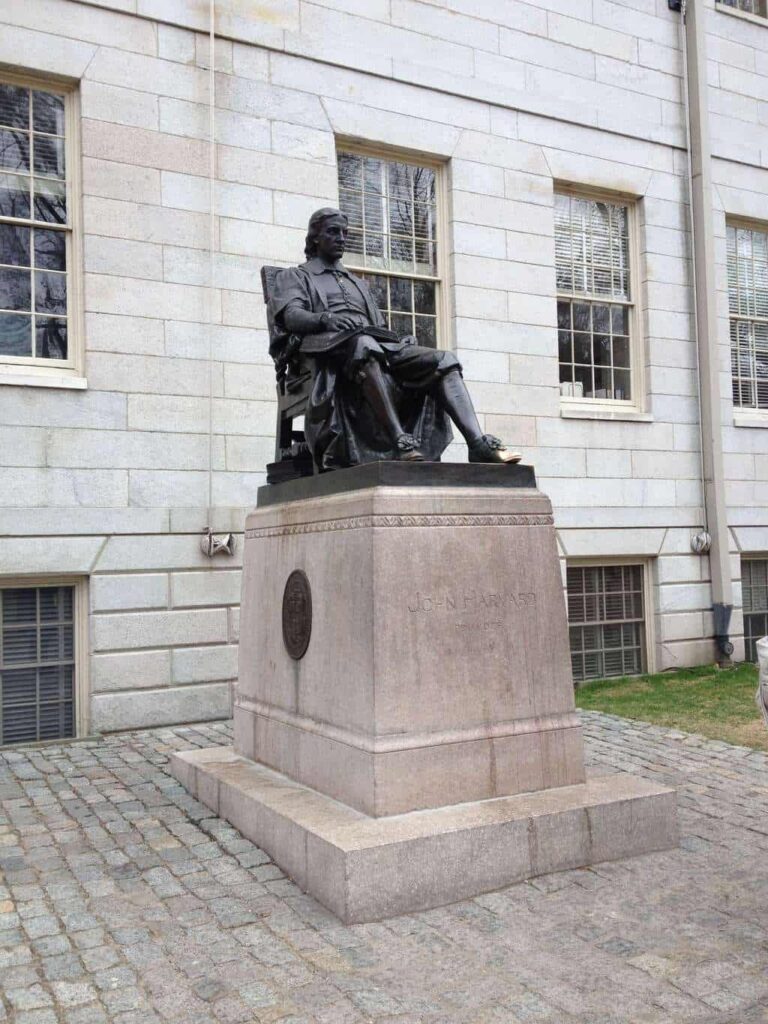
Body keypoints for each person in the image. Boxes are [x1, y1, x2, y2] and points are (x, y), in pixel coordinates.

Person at [268, 207, 522, 471]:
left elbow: (378, 326)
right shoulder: (295, 276)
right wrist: (325, 319)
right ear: (315, 238)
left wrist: (401, 341)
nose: (342, 238)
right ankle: (400, 440)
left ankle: (477, 443)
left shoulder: (357, 283)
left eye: (345, 233)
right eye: (333, 232)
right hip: (327, 349)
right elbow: (292, 316)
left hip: (376, 345)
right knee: (364, 345)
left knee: (444, 359)